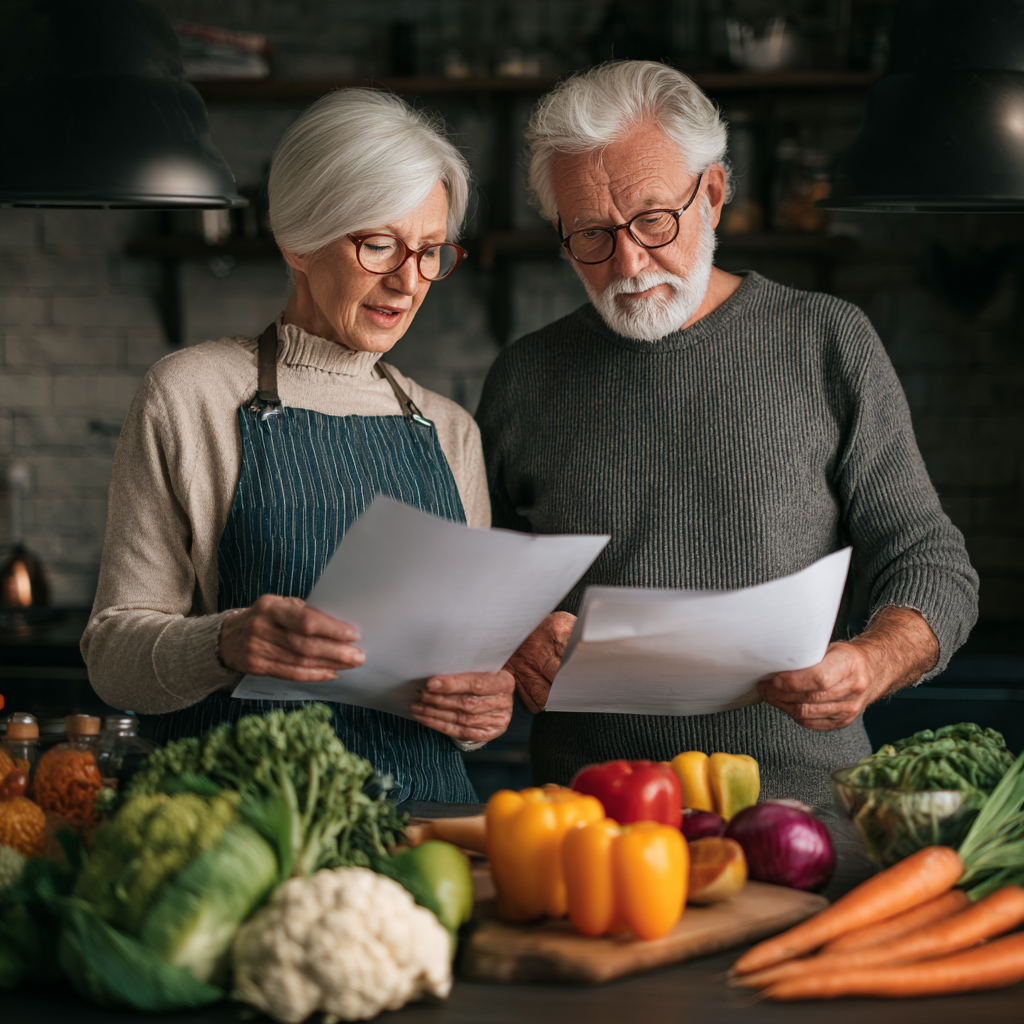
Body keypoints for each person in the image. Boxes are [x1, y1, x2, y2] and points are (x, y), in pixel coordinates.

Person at [480, 61, 979, 806]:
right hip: (588, 816)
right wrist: (510, 634)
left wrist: (872, 662)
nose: (628, 262)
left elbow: (932, 560)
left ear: (712, 195)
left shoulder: (827, 340)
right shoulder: (524, 377)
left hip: (805, 807)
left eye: (653, 218)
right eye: (589, 233)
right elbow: (473, 587)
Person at [83, 89, 513, 803]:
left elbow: (468, 690)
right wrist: (223, 641)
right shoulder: (190, 395)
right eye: (378, 244)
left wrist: (483, 710)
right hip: (251, 833)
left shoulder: (449, 429)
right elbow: (112, 657)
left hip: (430, 838)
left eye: (431, 251)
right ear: (299, 240)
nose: (409, 282)